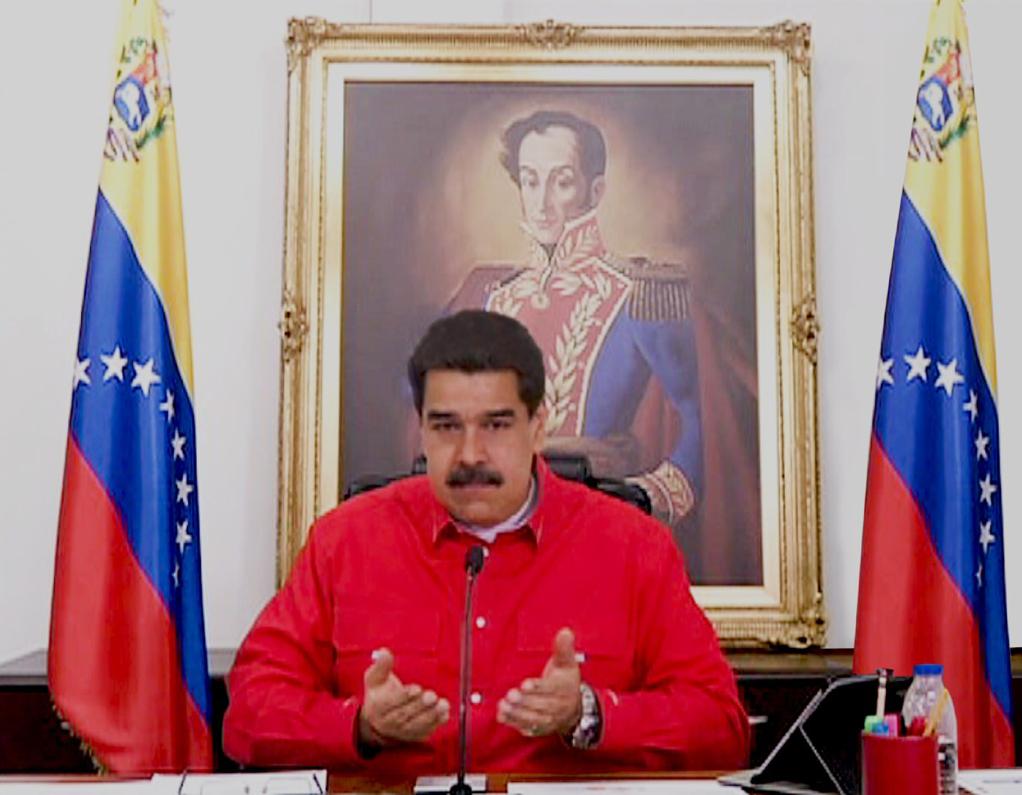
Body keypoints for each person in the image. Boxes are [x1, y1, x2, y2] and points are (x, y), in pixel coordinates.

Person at [223, 310, 749, 778]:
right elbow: (248, 713)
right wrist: (359, 725)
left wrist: (588, 713)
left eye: (496, 425)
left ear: (538, 427)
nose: (470, 454)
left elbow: (721, 726)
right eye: (446, 426)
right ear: (421, 431)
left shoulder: (633, 547)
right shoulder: (345, 541)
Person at [447, 110, 704, 533]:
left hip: (595, 524)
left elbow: (700, 421)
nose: (541, 202)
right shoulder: (487, 294)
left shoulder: (640, 293)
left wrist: (645, 496)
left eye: (561, 182)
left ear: (595, 190)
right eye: (530, 181)